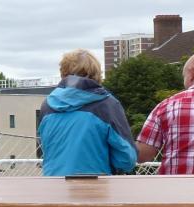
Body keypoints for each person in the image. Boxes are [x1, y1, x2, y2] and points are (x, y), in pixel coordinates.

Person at [37, 48, 137, 176]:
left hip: (53, 186)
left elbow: (45, 147)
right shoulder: (107, 104)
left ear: (63, 73)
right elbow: (126, 159)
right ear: (96, 74)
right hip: (94, 187)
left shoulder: (47, 105)